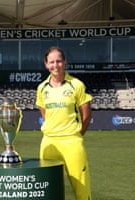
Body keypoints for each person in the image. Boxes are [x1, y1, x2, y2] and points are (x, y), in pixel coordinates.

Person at [36, 46, 92, 200]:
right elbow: (45, 114)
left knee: (81, 188)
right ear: (46, 64)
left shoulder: (77, 85)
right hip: (49, 142)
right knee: (47, 189)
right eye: (51, 62)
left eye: (59, 61)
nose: (55, 65)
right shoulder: (41, 88)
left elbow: (86, 116)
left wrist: (76, 135)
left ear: (65, 62)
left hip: (72, 142)